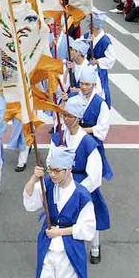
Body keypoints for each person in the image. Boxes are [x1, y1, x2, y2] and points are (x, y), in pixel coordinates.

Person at [23, 145, 96, 278]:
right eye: (51, 170)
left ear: (69, 169)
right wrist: (34, 179)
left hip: (69, 249)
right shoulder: (47, 183)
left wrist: (60, 232)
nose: (53, 174)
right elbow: (30, 203)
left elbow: (88, 228)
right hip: (48, 245)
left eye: (57, 170)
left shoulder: (81, 195)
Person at [52, 99, 110, 265]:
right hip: (62, 182)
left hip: (82, 185)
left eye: (70, 116)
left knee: (90, 215)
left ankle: (95, 246)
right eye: (64, 115)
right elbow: (51, 160)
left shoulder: (88, 143)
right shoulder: (58, 138)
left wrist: (77, 190)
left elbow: (94, 175)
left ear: (78, 117)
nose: (66, 119)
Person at [83, 12, 115, 107]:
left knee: (100, 89)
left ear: (96, 27)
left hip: (99, 70)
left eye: (91, 25)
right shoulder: (86, 36)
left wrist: (97, 61)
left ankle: (102, 106)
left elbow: (111, 58)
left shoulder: (105, 41)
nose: (89, 26)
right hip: (87, 67)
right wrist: (87, 43)